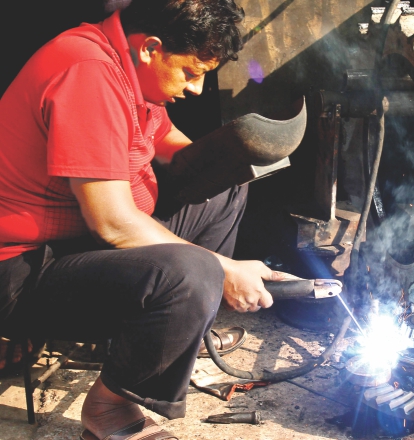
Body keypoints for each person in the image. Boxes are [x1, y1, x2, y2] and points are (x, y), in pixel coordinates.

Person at [0, 0, 281, 438]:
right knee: (193, 271)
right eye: (191, 72)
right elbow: (112, 223)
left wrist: (225, 158)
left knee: (224, 185)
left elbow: (164, 139)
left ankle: (177, 336)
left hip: (77, 241)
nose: (196, 89)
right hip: (22, 270)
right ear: (150, 47)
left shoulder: (127, 67)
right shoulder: (88, 71)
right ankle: (110, 411)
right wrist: (223, 269)